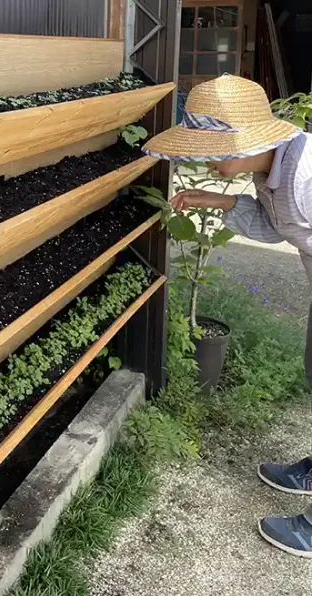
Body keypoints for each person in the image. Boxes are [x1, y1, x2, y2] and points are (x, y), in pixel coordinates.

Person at [142, 74, 312, 558]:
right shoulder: (269, 171)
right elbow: (278, 228)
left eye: (211, 151)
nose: (207, 163)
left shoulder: (306, 173)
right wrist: (219, 201)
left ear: (244, 143)